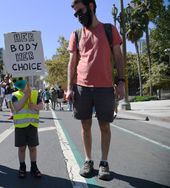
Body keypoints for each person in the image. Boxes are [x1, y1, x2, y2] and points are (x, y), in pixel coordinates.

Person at [66, 0, 125, 180]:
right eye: (75, 14)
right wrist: (69, 88)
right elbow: (72, 63)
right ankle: (88, 160)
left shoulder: (109, 30)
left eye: (80, 11)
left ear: (91, 6)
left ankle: (104, 163)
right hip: (82, 87)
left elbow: (118, 57)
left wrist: (121, 81)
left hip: (105, 87)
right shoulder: (76, 34)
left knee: (104, 125)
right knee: (85, 125)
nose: (78, 16)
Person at [11, 77, 43, 178]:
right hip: (20, 127)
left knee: (33, 148)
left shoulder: (35, 93)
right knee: (21, 148)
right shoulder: (15, 95)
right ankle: (22, 166)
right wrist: (26, 95)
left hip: (32, 125)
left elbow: (42, 105)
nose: (18, 82)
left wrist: (35, 106)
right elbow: (17, 107)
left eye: (20, 79)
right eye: (15, 81)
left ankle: (34, 166)